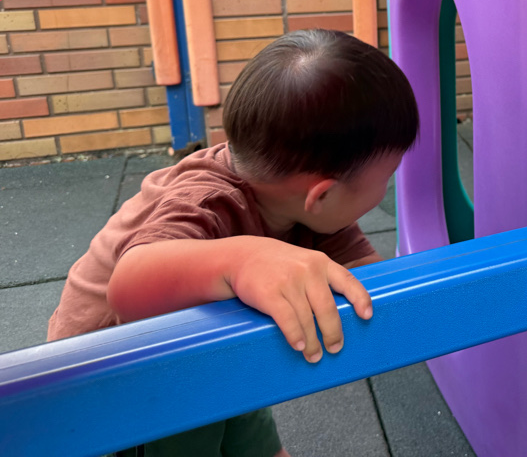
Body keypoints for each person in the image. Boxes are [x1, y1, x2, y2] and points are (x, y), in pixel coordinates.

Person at [47, 29, 419, 457]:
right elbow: (128, 289)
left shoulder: (308, 204)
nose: (387, 188)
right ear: (322, 195)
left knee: (241, 392)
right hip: (115, 377)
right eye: (387, 177)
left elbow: (366, 278)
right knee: (197, 414)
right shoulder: (204, 201)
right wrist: (243, 259)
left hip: (213, 348)